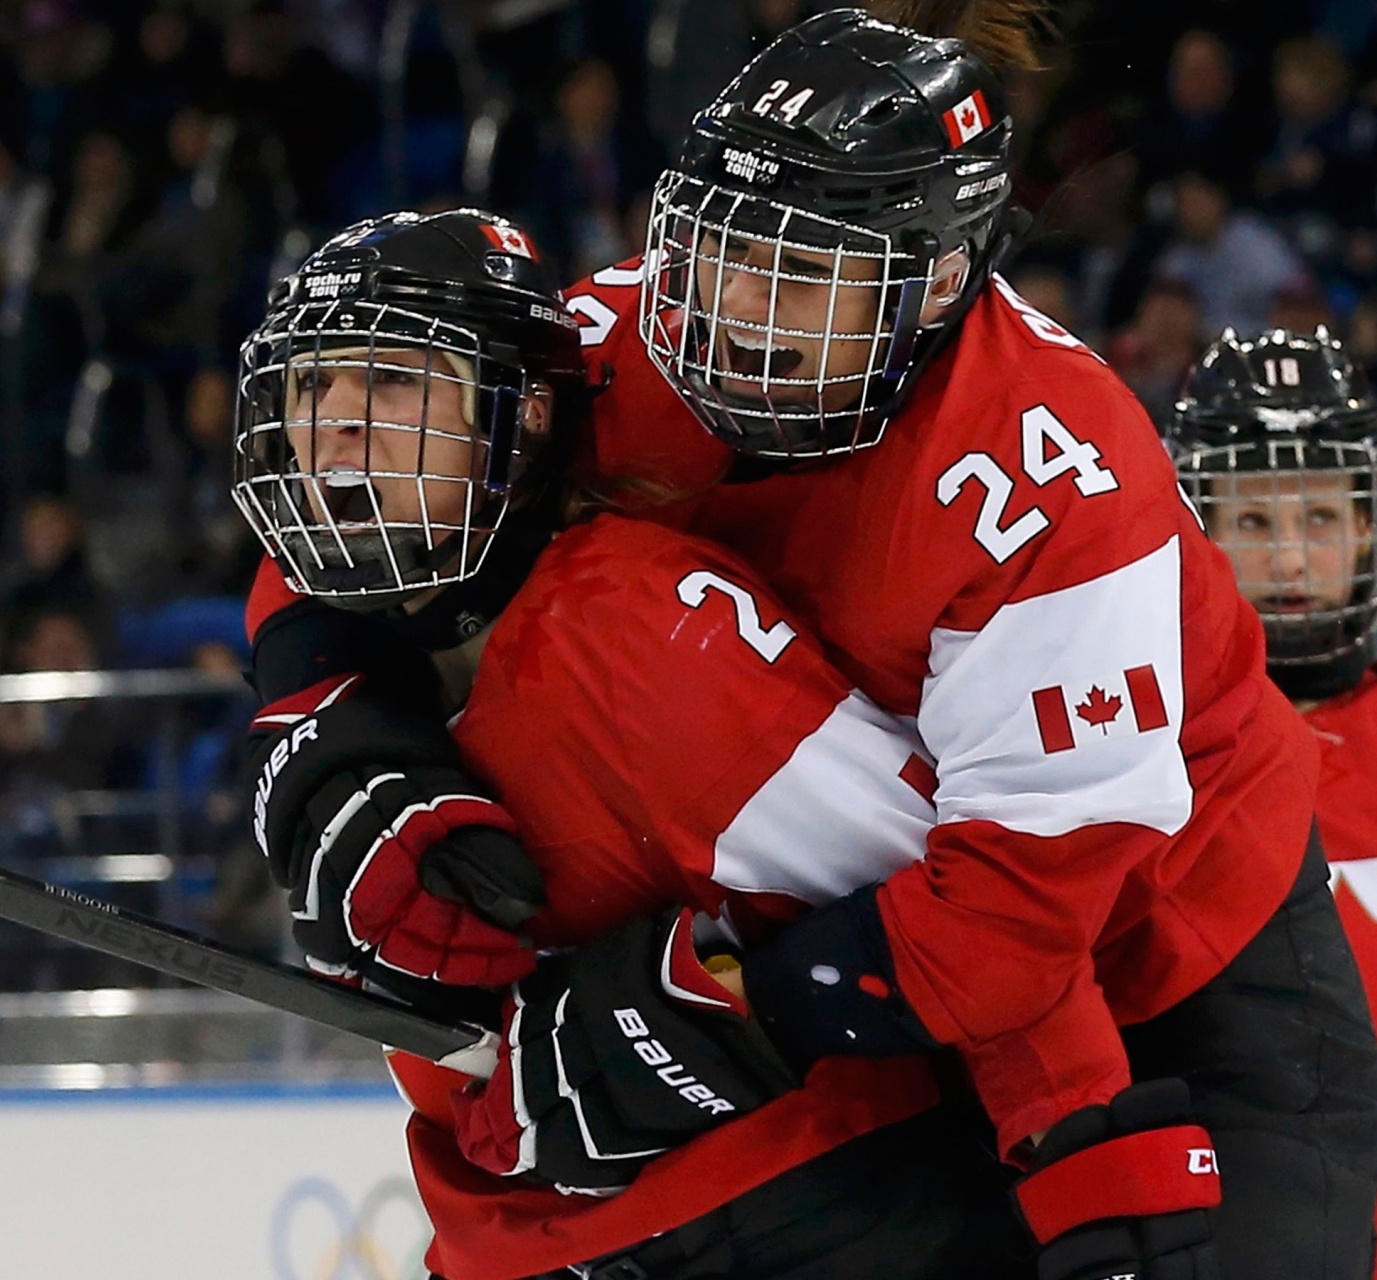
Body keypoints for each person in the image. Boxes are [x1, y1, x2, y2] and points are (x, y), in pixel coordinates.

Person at [244, 8, 1377, 1280]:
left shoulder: (1054, 481)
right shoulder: (636, 339)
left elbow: (1012, 916)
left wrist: (710, 1010)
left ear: (937, 284)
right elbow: (393, 469)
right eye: (717, 248)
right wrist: (332, 722)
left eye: (794, 269)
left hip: (1181, 945)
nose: (726, 307)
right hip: (923, 946)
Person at [236, 207, 1034, 1280]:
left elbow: (973, 925)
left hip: (816, 1214)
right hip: (534, 1242)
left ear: (515, 419)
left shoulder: (640, 632)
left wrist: (727, 1012)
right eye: (309, 384)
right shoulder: (343, 716)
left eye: (392, 382)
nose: (333, 422)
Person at [1167, 326, 1377, 1280]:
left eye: (1320, 518)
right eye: (1251, 522)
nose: (1288, 558)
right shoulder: (1136, 753)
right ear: (1193, 529)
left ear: (1370, 529)